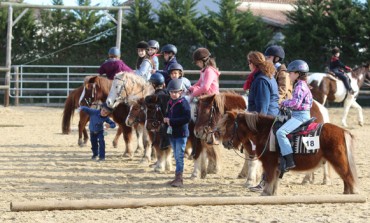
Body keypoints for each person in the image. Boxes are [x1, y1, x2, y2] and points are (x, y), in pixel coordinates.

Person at [244, 51, 279, 192]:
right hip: (270, 117)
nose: (248, 65)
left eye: (249, 63)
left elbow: (262, 106)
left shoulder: (261, 80)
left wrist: (257, 126)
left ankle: (265, 182)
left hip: (266, 120)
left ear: (253, 63)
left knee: (266, 153)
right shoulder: (266, 77)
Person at [276, 59, 313, 171]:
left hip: (299, 116)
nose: (289, 75)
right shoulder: (302, 85)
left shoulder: (300, 86)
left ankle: (289, 160)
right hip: (301, 114)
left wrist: (283, 103)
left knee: (280, 132)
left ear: (297, 74)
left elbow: (295, 103)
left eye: (291, 73)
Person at [163, 79, 191, 187]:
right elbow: (168, 114)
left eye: (176, 92)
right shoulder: (170, 102)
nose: (173, 94)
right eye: (171, 92)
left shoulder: (184, 103)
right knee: (175, 154)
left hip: (181, 134)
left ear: (181, 92)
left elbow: (187, 118)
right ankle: (176, 177)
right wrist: (166, 119)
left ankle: (179, 178)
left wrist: (171, 121)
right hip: (173, 133)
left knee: (179, 156)